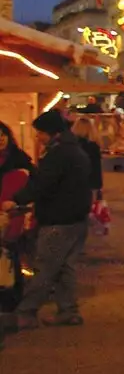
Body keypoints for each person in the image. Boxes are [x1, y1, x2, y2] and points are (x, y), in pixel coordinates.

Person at [3, 112, 92, 329]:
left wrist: (15, 200)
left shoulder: (58, 154)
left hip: (58, 220)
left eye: (41, 133)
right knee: (65, 267)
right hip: (77, 219)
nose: (38, 137)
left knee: (45, 267)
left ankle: (26, 313)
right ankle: (68, 310)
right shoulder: (75, 150)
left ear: (53, 133)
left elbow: (42, 184)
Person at [0, 123, 35, 311]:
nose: (0, 139)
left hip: (13, 214)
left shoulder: (19, 158)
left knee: (11, 255)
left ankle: (11, 297)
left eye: (3, 134)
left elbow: (34, 183)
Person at [71, 118, 103, 203]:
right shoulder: (94, 146)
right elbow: (96, 168)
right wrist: (97, 186)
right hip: (90, 183)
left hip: (72, 184)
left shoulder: (71, 146)